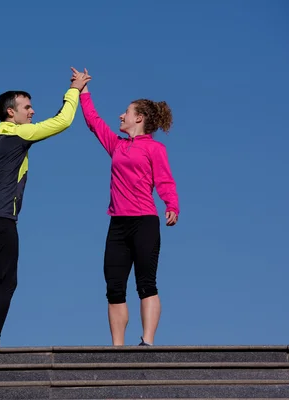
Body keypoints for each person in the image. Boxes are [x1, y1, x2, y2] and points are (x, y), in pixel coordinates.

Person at [0, 70, 92, 348]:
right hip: (2, 220)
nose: (32, 111)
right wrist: (74, 90)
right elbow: (62, 121)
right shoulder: (20, 134)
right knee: (6, 283)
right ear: (10, 112)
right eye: (26, 107)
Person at [71, 67, 179, 346]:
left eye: (126, 112)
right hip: (117, 224)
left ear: (139, 118)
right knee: (114, 287)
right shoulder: (117, 146)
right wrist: (83, 91)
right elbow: (94, 122)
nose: (121, 115)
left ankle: (147, 342)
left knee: (146, 284)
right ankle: (117, 348)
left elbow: (165, 180)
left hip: (144, 222)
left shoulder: (155, 149)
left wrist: (172, 205)